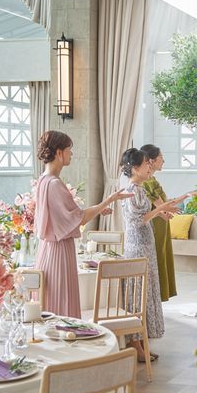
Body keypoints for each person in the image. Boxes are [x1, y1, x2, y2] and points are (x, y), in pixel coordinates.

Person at [34, 130, 132, 318]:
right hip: (59, 250)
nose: (71, 154)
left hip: (47, 249)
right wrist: (108, 200)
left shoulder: (43, 180)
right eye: (69, 149)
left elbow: (69, 216)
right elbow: (79, 218)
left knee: (51, 299)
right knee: (61, 301)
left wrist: (97, 209)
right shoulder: (54, 184)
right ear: (59, 152)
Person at [120, 148, 184, 362]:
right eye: (146, 164)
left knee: (145, 293)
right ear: (135, 167)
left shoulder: (138, 188)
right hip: (137, 246)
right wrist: (161, 209)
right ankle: (135, 343)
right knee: (138, 294)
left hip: (144, 244)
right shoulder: (133, 190)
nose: (149, 168)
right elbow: (139, 220)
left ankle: (141, 342)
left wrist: (162, 208)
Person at [140, 144, 194, 302]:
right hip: (155, 224)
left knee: (162, 257)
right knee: (157, 257)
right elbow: (162, 206)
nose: (163, 161)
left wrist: (169, 208)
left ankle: (158, 297)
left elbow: (164, 205)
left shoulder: (152, 180)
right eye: (161, 157)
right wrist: (185, 196)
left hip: (161, 224)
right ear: (151, 161)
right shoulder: (147, 182)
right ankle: (154, 297)